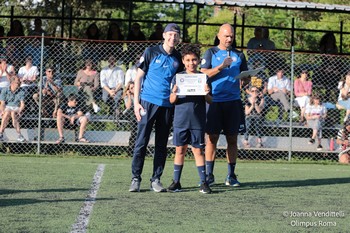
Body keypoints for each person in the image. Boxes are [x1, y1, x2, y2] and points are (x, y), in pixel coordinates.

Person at [129, 23, 183, 193]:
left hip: (167, 106)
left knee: (161, 144)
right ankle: (136, 178)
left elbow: (181, 81)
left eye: (176, 35)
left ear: (178, 38)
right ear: (164, 35)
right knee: (141, 142)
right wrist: (136, 103)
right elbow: (138, 78)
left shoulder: (178, 57)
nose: (172, 38)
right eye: (170, 34)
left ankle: (156, 179)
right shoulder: (150, 51)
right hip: (147, 102)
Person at [200, 23, 248, 187]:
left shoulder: (239, 55)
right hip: (214, 101)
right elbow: (203, 73)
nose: (229, 39)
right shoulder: (211, 52)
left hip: (233, 102)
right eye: (226, 36)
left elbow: (244, 75)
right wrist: (221, 67)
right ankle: (209, 174)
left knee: (232, 139)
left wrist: (247, 79)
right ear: (219, 35)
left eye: (231, 36)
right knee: (211, 138)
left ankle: (231, 175)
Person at [166, 44, 212, 194]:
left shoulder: (203, 77)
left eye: (194, 60)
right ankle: (176, 181)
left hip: (197, 121)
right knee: (180, 150)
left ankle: (203, 182)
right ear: (183, 61)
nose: (191, 63)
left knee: (198, 151)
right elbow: (172, 100)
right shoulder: (178, 78)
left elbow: (210, 100)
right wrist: (175, 92)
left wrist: (206, 92)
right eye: (188, 60)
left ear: (198, 61)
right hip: (180, 120)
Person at [0, 76, 26, 142]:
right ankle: (1, 134)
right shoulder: (5, 90)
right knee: (6, 114)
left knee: (13, 113)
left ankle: (19, 135)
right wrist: (2, 111)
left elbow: (22, 104)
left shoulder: (21, 91)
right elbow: (2, 103)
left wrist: (20, 110)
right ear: (12, 83)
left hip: (16, 107)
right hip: (7, 107)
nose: (19, 83)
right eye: (17, 82)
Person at [122, 81, 137, 156]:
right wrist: (129, 96)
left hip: (136, 113)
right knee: (132, 112)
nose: (133, 89)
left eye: (134, 87)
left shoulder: (139, 95)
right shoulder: (127, 96)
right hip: (129, 113)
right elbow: (128, 107)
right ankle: (130, 149)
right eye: (131, 88)